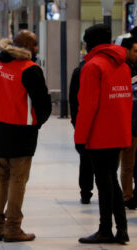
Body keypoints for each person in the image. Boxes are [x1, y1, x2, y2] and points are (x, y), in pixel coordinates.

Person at [0, 30, 51, 242]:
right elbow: (43, 103)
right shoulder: (30, 69)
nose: (37, 49)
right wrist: (37, 122)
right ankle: (13, 227)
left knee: (1, 178)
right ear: (27, 46)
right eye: (34, 45)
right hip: (20, 130)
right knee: (18, 180)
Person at [75, 24, 131, 244]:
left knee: (104, 182)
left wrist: (80, 138)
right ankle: (122, 229)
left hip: (99, 135)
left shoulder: (92, 67)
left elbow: (87, 107)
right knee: (111, 180)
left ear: (89, 42)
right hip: (118, 132)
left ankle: (105, 229)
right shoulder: (123, 66)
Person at [69, 59, 95, 204]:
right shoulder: (83, 70)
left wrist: (75, 119)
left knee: (85, 158)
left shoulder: (80, 69)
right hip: (95, 121)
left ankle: (85, 192)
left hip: (82, 119)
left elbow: (73, 99)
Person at [119, 37, 137, 210]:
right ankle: (126, 196)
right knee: (127, 164)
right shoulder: (123, 70)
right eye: (135, 51)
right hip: (128, 125)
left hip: (134, 124)